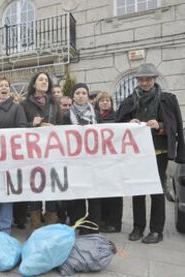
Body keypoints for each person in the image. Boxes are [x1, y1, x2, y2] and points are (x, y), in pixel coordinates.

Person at [116, 63, 185, 243]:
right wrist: (129, 122)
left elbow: (176, 126)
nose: (145, 82)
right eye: (142, 79)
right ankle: (138, 227)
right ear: (137, 81)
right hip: (136, 153)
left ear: (154, 79)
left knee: (156, 190)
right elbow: (119, 123)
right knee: (137, 190)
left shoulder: (168, 99)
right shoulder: (129, 100)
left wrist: (160, 126)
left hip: (158, 152)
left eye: (148, 79)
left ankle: (156, 231)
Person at [0, 77, 27, 234]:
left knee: (7, 192)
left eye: (6, 86)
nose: (4, 88)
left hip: (9, 158)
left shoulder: (17, 108)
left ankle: (5, 226)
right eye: (1, 85)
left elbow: (22, 128)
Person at [20, 72, 63, 232]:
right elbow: (20, 126)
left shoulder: (54, 104)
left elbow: (60, 125)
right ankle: (35, 227)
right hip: (33, 155)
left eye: (46, 80)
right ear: (34, 84)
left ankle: (51, 227)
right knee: (35, 189)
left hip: (51, 153)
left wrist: (54, 128)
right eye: (41, 80)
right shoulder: (24, 105)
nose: (44, 82)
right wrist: (32, 124)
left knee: (51, 189)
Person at [66, 83, 101, 234]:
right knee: (77, 192)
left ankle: (93, 224)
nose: (81, 95)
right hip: (74, 160)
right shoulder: (66, 115)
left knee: (93, 194)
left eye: (84, 93)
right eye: (78, 93)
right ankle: (77, 222)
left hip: (93, 159)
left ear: (87, 96)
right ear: (73, 96)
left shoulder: (96, 114)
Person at [94, 92, 123, 233]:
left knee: (115, 192)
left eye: (107, 100)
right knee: (102, 191)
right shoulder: (93, 117)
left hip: (113, 159)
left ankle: (115, 223)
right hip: (99, 160)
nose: (105, 103)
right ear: (97, 103)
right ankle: (103, 219)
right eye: (102, 101)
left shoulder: (118, 117)